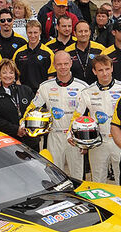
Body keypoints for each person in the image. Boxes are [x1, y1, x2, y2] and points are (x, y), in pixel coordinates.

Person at [21, 50, 89, 178]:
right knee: (54, 175)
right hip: (54, 135)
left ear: (70, 63)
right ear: (54, 65)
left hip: (74, 137)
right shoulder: (45, 86)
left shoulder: (82, 87)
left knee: (77, 175)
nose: (63, 67)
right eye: (59, 64)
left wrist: (85, 141)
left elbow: (88, 115)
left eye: (65, 63)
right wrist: (23, 123)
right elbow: (33, 107)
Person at [73, 55, 121, 183]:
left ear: (112, 68)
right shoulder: (87, 91)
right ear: (94, 72)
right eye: (100, 70)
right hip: (98, 141)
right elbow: (77, 115)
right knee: (98, 179)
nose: (104, 73)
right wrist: (70, 135)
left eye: (107, 69)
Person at [0, 59, 37, 148]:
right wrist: (16, 129)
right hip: (8, 141)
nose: (8, 76)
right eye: (4, 72)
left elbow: (35, 111)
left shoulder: (26, 90)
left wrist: (29, 129)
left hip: (30, 139)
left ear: (15, 75)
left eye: (11, 72)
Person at [13, 21, 56, 91]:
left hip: (42, 93)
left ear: (40, 32)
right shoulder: (18, 53)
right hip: (24, 93)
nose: (32, 36)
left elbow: (50, 77)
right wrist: (21, 91)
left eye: (35, 32)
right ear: (26, 33)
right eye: (30, 33)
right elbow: (16, 77)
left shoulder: (48, 53)